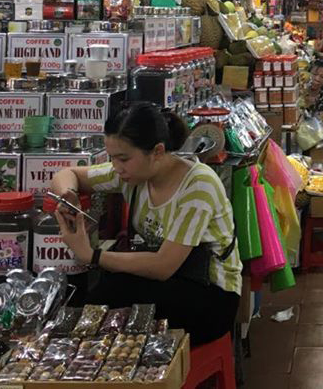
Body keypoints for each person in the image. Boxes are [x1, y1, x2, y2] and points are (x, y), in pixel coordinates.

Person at [49, 102, 241, 344]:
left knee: (106, 307)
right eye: (112, 158)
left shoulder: (198, 185)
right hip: (169, 281)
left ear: (157, 151)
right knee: (99, 302)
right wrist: (69, 195)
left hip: (211, 296)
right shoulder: (132, 174)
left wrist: (92, 255)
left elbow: (163, 266)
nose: (116, 167)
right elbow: (67, 174)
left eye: (123, 158)